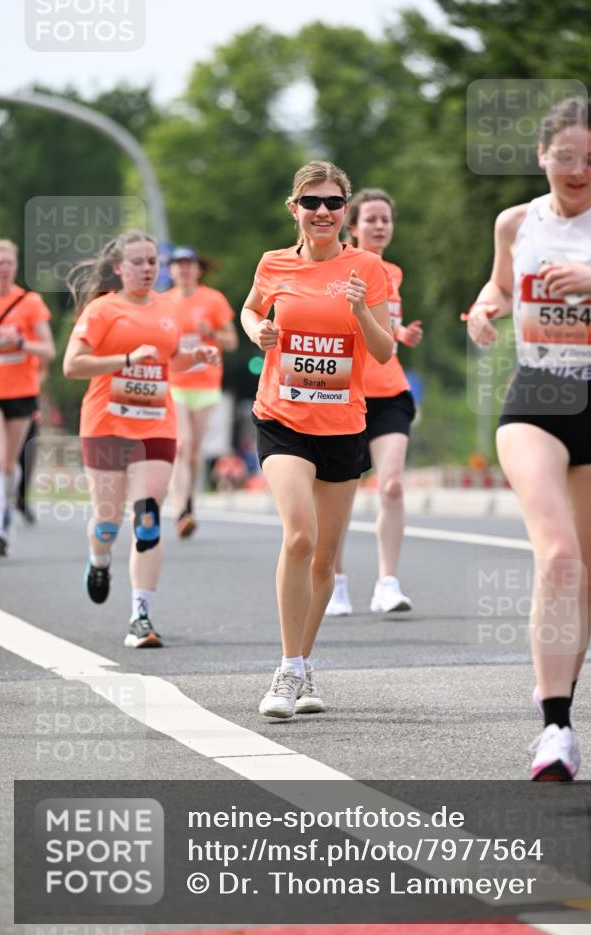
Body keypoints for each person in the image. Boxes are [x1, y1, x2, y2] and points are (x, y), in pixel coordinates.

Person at [464, 97, 591, 780]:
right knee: (557, 556)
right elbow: (495, 288)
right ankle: (554, 731)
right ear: (541, 155)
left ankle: (557, 689)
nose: (577, 170)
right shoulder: (513, 222)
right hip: (536, 395)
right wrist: (485, 312)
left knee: (587, 576)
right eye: (565, 156)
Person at [240, 161, 393, 718]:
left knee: (325, 560)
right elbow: (252, 308)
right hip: (281, 418)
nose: (323, 212)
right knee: (299, 537)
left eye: (333, 203)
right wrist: (258, 329)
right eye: (312, 203)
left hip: (344, 426)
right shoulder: (273, 263)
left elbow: (383, 352)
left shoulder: (367, 268)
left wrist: (358, 310)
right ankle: (285, 669)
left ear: (344, 210)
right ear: (294, 209)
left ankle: (303, 664)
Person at [63, 231, 218, 647]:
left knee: (147, 518)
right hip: (106, 424)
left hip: (155, 425)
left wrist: (196, 357)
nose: (147, 269)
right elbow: (72, 365)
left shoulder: (169, 307)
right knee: (109, 523)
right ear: (118, 268)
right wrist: (126, 359)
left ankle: (141, 616)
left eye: (153, 261)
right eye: (138, 262)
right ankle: (99, 560)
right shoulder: (102, 310)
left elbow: (171, 359)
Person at [325, 189, 423, 616]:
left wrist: (403, 336)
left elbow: (384, 325)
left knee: (393, 485)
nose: (380, 226)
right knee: (340, 495)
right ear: (354, 226)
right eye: (372, 220)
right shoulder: (338, 268)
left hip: (391, 393)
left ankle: (387, 583)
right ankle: (336, 584)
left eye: (386, 219)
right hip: (348, 393)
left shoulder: (395, 273)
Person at [165, 246, 238, 537]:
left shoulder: (213, 300)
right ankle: (180, 509)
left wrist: (209, 332)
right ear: (171, 270)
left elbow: (231, 341)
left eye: (189, 265)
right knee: (181, 447)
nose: (183, 270)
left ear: (198, 270)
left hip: (206, 384)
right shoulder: (163, 302)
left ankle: (189, 503)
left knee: (194, 452)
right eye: (178, 265)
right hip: (175, 383)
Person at [0, 239, 55, 558]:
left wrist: (22, 344)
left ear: (15, 266)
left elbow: (49, 350)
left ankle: (6, 513)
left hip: (21, 391)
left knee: (9, 463)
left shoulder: (29, 303)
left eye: (8, 263)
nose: (2, 268)